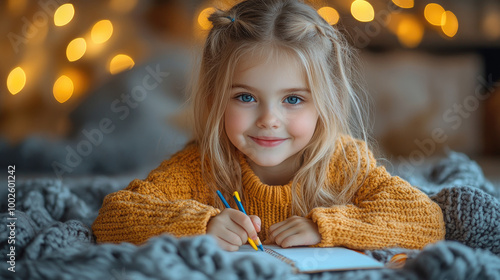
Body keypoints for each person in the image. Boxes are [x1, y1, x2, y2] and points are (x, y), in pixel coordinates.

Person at [92, 0, 445, 251]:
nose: (269, 120)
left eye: (293, 99)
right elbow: (114, 216)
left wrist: (325, 226)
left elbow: (426, 219)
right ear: (215, 99)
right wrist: (201, 225)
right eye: (245, 97)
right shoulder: (200, 167)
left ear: (325, 104)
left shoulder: (345, 162)